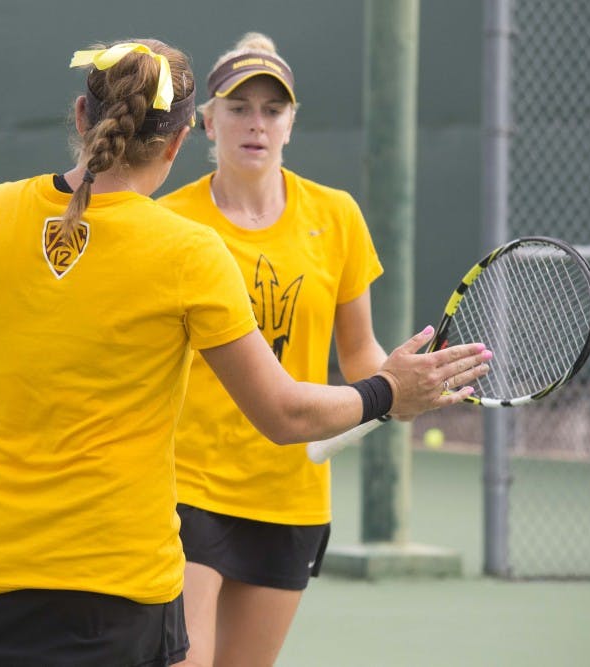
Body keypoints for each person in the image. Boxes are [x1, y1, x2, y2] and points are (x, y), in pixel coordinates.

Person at [0, 38, 491, 667]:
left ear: (83, 117)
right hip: (118, 595)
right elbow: (283, 416)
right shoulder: (188, 251)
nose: (257, 121)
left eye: (273, 110)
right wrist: (387, 393)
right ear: (182, 137)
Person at [157, 32, 405, 667]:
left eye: (273, 109)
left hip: (290, 496)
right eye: (238, 108)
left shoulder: (338, 217)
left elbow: (360, 360)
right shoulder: (169, 222)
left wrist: (408, 383)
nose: (256, 123)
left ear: (292, 124)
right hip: (187, 487)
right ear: (207, 123)